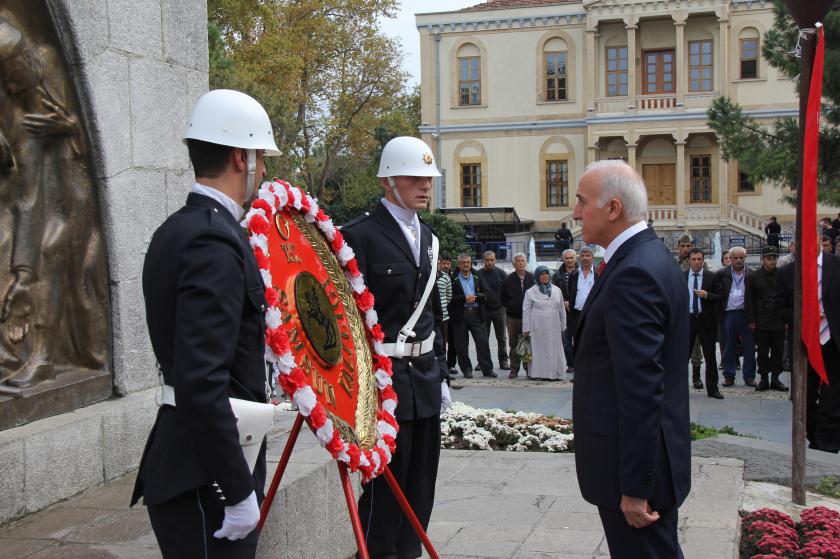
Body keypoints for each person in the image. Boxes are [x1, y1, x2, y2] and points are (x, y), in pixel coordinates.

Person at [130, 89, 279, 557]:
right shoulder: (212, 241)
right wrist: (236, 490)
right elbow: (201, 379)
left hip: (202, 459)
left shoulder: (182, 228)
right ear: (241, 158)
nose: (264, 169)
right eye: (260, 156)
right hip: (206, 471)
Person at [571, 160, 690, 558]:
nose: (574, 214)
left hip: (638, 474)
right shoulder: (647, 256)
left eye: (581, 202)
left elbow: (642, 389)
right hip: (646, 464)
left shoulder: (634, 273)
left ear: (613, 208)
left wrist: (636, 487)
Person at [340, 136, 448, 558]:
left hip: (423, 382)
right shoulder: (359, 237)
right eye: (414, 177)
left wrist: (439, 371)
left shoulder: (429, 237)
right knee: (386, 498)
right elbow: (350, 320)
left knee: (421, 493)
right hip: (383, 385)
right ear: (388, 181)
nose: (424, 185)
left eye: (428, 178)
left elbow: (431, 318)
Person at [775, 238, 840, 453]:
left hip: (832, 339)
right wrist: (805, 316)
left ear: (821, 241)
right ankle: (813, 433)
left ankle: (828, 441)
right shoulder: (787, 273)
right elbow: (779, 308)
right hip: (804, 342)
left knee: (833, 392)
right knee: (804, 394)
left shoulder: (836, 265)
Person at [746, 246, 788, 392]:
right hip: (761, 320)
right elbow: (749, 300)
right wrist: (751, 320)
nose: (772, 261)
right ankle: (764, 378)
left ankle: (775, 378)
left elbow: (787, 298)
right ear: (763, 259)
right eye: (769, 259)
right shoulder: (753, 276)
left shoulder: (782, 275)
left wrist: (787, 320)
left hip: (778, 320)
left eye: (774, 258)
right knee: (763, 352)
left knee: (778, 351)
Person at [713, 246, 756, 387]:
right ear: (729, 259)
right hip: (728, 313)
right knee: (728, 346)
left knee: (749, 346)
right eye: (735, 258)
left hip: (746, 314)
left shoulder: (751, 274)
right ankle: (728, 375)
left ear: (745, 257)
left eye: (741, 258)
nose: (738, 260)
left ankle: (749, 376)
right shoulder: (721, 274)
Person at [449, 253, 497, 378]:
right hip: (460, 315)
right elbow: (450, 299)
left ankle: (487, 369)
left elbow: (487, 294)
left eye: (468, 262)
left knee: (483, 342)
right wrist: (464, 299)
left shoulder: (477, 275)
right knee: (461, 345)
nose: (466, 265)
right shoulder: (452, 278)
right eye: (463, 262)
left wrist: (477, 297)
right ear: (458, 264)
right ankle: (466, 370)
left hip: (476, 313)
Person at [685, 248, 723, 399]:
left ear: (703, 260)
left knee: (710, 356)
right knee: (683, 356)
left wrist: (707, 295)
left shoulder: (711, 277)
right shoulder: (681, 277)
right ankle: (678, 389)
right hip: (688, 319)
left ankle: (713, 389)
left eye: (699, 259)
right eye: (693, 259)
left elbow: (720, 296)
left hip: (706, 320)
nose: (696, 262)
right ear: (689, 260)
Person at [522, 266, 567, 380]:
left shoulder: (557, 290)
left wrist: (563, 324)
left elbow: (561, 308)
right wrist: (526, 328)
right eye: (542, 274)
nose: (545, 276)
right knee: (540, 349)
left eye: (546, 274)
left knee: (554, 348)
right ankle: (540, 374)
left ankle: (555, 373)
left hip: (554, 323)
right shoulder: (530, 292)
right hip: (538, 325)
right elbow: (526, 311)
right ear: (537, 276)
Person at [500, 253, 535, 379]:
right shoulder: (508, 279)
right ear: (514, 264)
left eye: (522, 261)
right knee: (514, 343)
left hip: (528, 316)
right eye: (518, 261)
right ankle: (514, 368)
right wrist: (511, 305)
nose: (520, 263)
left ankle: (528, 369)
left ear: (526, 263)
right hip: (512, 317)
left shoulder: (532, 278)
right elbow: (502, 298)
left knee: (524, 342)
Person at [478, 250, 510, 370]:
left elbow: (508, 290)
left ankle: (503, 361)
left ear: (495, 260)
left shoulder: (501, 273)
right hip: (483, 309)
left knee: (501, 337)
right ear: (483, 261)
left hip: (499, 310)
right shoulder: (478, 274)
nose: (489, 262)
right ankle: (482, 362)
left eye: (492, 260)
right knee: (482, 337)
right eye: (487, 260)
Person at [566, 245, 597, 362]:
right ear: (579, 258)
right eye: (583, 256)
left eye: (588, 255)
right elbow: (571, 293)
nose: (585, 258)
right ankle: (578, 367)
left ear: (592, 257)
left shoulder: (599, 273)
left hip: (593, 313)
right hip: (577, 313)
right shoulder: (574, 275)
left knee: (593, 339)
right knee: (578, 340)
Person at [552, 248, 578, 372]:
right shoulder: (557, 275)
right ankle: (570, 364)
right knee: (565, 340)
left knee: (579, 338)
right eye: (567, 258)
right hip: (563, 311)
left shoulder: (582, 271)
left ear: (575, 258)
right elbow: (554, 292)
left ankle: (579, 362)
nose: (569, 260)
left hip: (578, 311)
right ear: (563, 259)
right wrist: (564, 302)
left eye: (571, 258)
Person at [436, 256, 453, 378]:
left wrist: (441, 307)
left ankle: (443, 369)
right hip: (428, 317)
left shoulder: (445, 277)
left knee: (442, 344)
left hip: (443, 317)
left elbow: (449, 297)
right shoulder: (427, 274)